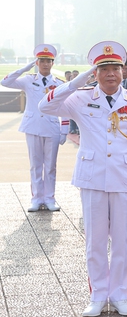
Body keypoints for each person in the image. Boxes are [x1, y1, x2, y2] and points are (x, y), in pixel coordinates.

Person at [39, 41, 127, 317]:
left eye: (115, 68)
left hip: (125, 178)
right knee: (95, 241)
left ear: (123, 71)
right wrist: (76, 82)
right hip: (92, 179)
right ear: (96, 72)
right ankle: (98, 295)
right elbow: (46, 106)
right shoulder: (81, 97)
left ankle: (120, 295)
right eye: (103, 69)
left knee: (123, 241)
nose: (110, 74)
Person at [1, 44, 69, 212]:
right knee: (35, 165)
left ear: (53, 63)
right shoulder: (29, 79)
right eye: (42, 61)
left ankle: (50, 198)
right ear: (37, 62)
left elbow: (65, 105)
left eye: (48, 61)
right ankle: (36, 198)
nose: (45, 64)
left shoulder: (58, 83)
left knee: (51, 165)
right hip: (32, 127)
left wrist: (65, 130)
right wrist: (25, 68)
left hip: (52, 127)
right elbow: (5, 81)